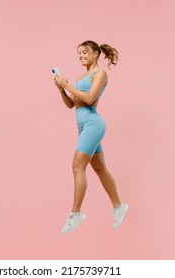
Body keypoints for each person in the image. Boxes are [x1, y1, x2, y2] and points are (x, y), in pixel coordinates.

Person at [54, 40, 128, 234]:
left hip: (93, 124)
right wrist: (62, 89)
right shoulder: (80, 78)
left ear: (96, 53)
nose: (81, 56)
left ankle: (76, 213)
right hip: (84, 126)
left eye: (85, 52)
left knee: (78, 165)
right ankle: (119, 206)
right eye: (79, 54)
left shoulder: (99, 74)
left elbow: (89, 98)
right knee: (99, 168)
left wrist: (67, 84)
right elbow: (72, 104)